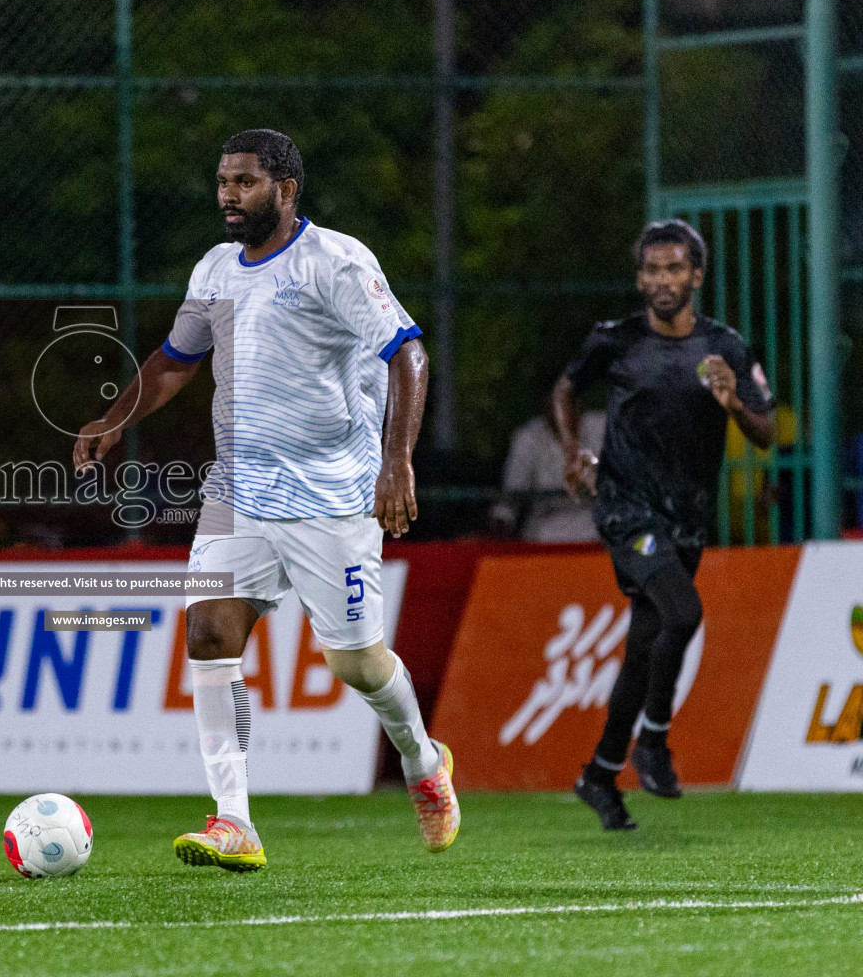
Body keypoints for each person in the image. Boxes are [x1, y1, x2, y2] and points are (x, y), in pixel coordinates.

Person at [72, 129, 458, 872]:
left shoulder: (335, 262)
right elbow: (174, 363)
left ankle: (422, 760)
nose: (227, 195)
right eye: (222, 181)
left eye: (244, 182)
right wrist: (112, 418)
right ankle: (234, 821)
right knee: (210, 636)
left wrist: (396, 461)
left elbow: (408, 351)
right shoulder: (217, 269)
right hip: (239, 491)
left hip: (331, 498)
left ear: (285, 190)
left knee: (356, 665)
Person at [554, 219, 774, 831]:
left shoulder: (725, 348)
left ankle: (599, 774)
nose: (661, 281)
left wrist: (734, 407)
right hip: (625, 507)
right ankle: (653, 741)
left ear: (696, 277)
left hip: (687, 517)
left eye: (673, 269)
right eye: (651, 270)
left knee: (644, 647)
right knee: (682, 613)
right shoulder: (615, 340)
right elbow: (566, 389)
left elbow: (768, 431)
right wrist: (573, 448)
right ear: (640, 277)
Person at [489, 394, 605, 542]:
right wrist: (498, 529)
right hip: (545, 539)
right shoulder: (528, 438)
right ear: (543, 408)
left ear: (579, 403)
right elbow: (510, 499)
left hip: (598, 538)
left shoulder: (603, 427)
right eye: (553, 406)